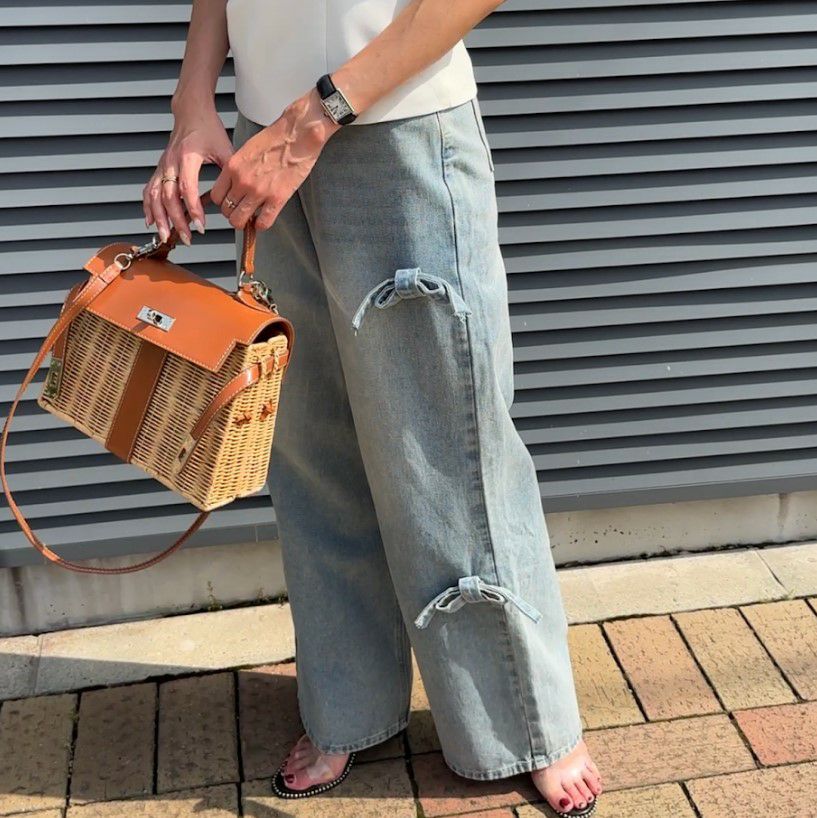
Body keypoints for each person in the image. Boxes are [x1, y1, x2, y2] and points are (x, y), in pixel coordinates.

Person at [143, 1, 604, 815]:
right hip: (262, 141)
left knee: (450, 451)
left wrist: (315, 116)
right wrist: (192, 104)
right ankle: (347, 706)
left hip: (398, 132)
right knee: (312, 455)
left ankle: (527, 725)